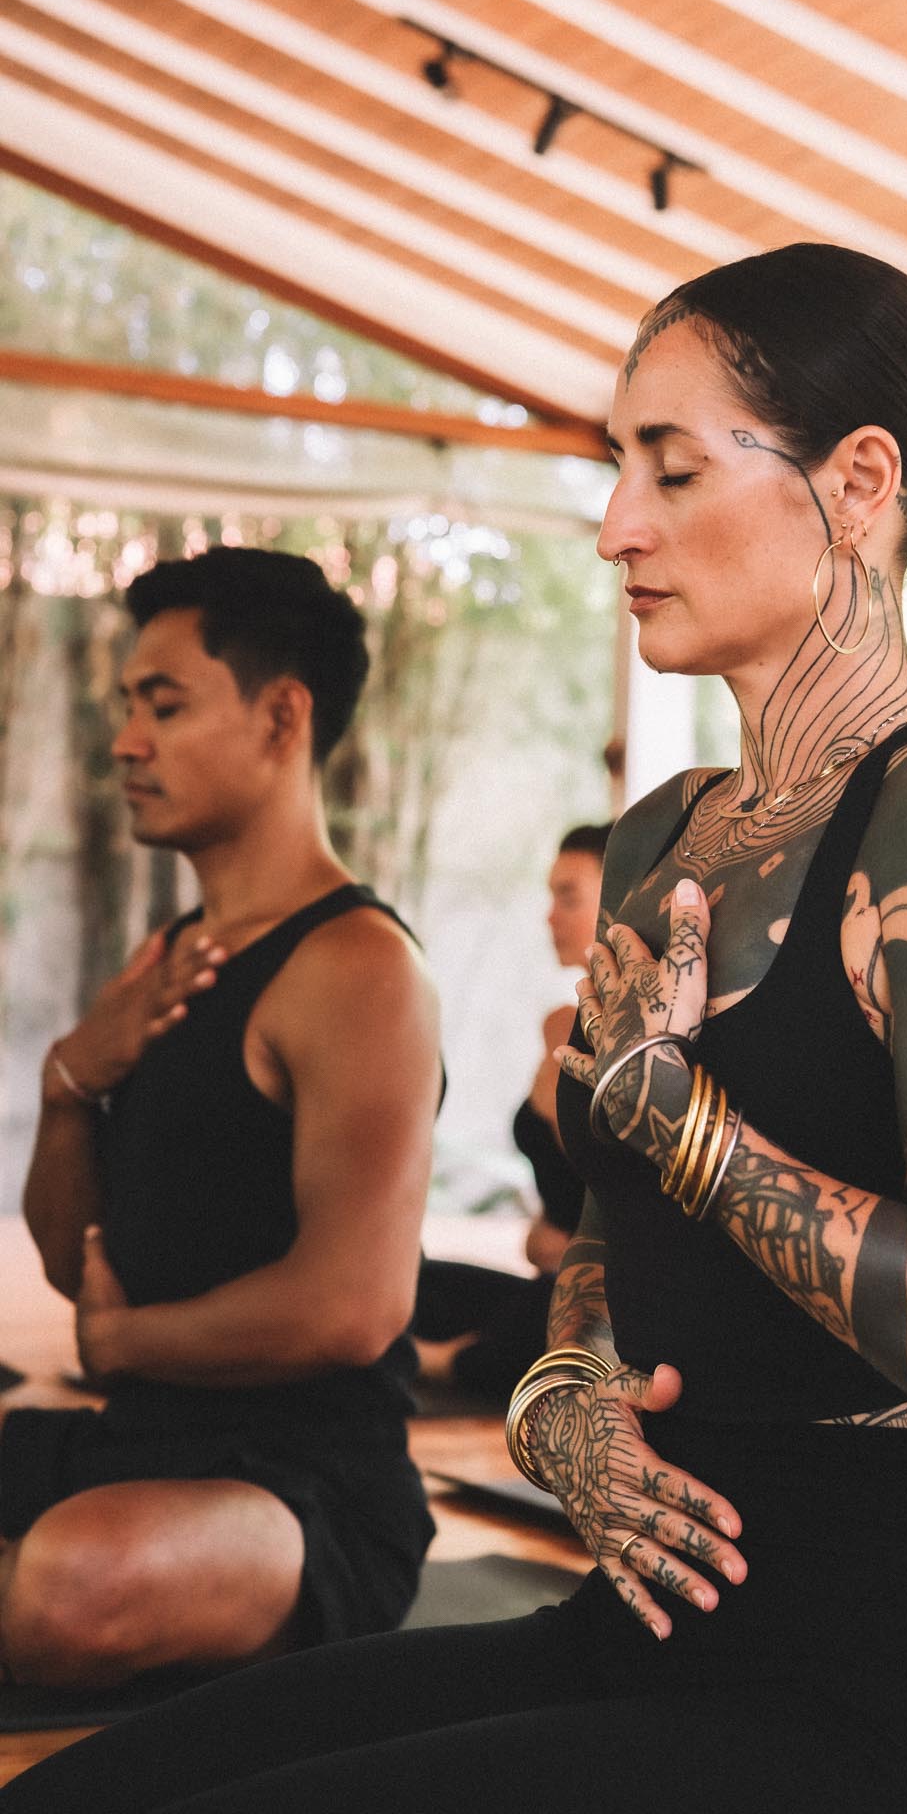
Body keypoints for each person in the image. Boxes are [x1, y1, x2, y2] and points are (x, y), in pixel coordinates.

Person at [2, 243, 907, 1813]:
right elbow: (600, 1242)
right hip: (650, 1614)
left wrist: (674, 1111)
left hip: (887, 1670)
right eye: (613, 470)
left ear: (858, 484)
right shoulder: (661, 840)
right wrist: (563, 1404)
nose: (615, 528)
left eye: (669, 467)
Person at [0, 547, 442, 1688]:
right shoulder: (169, 959)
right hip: (137, 1441)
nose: (126, 743)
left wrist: (126, 1342)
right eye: (124, 708)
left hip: (302, 1490)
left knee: (74, 1579)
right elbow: (73, 1259)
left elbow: (352, 1306)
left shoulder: (360, 966)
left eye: (164, 704)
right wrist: (67, 1082)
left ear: (281, 715)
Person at [412, 824, 607, 1400]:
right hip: (546, 1283)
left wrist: (560, 1245)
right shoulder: (557, 1025)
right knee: (416, 1286)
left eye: (567, 896)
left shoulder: (646, 1043)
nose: (549, 916)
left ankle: (436, 1363)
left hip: (601, 1295)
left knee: (554, 1318)